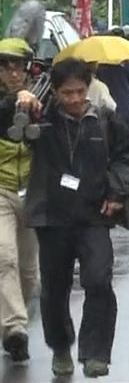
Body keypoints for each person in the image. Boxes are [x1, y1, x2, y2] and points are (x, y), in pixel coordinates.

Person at [28, 58, 129, 378]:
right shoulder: (41, 118)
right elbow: (12, 129)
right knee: (54, 289)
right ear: (56, 92)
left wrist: (116, 194)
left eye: (79, 91)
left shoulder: (105, 119)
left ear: (88, 88)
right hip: (52, 217)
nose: (74, 99)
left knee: (99, 280)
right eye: (66, 93)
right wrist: (21, 100)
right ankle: (61, 346)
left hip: (94, 215)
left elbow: (126, 158)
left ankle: (96, 354)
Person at [0, 36, 40, 364]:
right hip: (0, 190)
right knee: (5, 258)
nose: (13, 73)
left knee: (29, 274)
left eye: (18, 67)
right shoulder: (7, 101)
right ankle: (15, 328)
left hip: (32, 193)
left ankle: (12, 320)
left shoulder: (41, 97)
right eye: (5, 66)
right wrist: (14, 101)